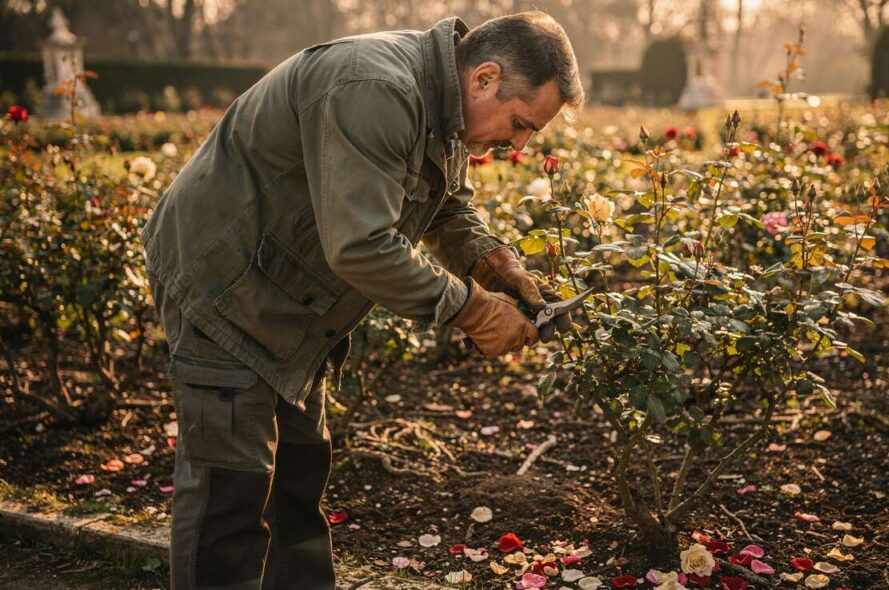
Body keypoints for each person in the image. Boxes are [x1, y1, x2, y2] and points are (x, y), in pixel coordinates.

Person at [142, 10, 583, 590]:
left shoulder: (441, 104)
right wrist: (472, 310)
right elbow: (360, 246)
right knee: (230, 494)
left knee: (296, 479)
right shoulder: (374, 87)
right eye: (521, 123)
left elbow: (447, 206)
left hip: (289, 292)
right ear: (484, 78)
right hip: (224, 281)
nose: (519, 144)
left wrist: (496, 265)